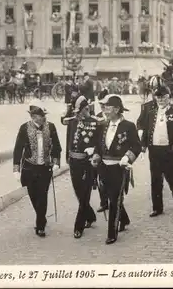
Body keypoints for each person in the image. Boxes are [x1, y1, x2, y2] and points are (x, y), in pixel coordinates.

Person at [92, 95, 141, 245]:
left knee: (114, 199)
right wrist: (96, 155)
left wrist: (128, 157)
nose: (104, 110)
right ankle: (124, 219)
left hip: (119, 167)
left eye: (107, 107)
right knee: (109, 196)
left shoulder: (129, 126)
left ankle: (111, 233)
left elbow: (136, 146)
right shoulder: (103, 125)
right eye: (104, 106)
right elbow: (99, 145)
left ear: (117, 109)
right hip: (104, 167)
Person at [13, 106, 62, 237]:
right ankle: (42, 216)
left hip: (45, 167)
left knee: (42, 195)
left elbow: (57, 146)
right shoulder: (24, 128)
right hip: (30, 167)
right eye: (40, 115)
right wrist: (16, 169)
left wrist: (56, 162)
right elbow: (18, 149)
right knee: (33, 195)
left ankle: (40, 225)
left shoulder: (50, 127)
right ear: (33, 117)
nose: (43, 118)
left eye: (43, 115)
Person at [140, 84, 173, 217]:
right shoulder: (151, 114)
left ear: (168, 98)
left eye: (163, 97)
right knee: (155, 179)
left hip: (169, 150)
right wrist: (143, 147)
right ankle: (157, 207)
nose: (161, 100)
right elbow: (146, 131)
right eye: (158, 98)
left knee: (171, 176)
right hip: (154, 150)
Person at [62, 95, 100, 239]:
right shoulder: (72, 122)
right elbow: (68, 140)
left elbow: (98, 143)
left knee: (85, 194)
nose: (78, 114)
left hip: (87, 163)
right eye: (76, 111)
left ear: (86, 108)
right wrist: (67, 156)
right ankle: (90, 216)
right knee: (79, 193)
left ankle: (79, 226)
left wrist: (94, 152)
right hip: (74, 162)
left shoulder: (94, 123)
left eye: (81, 111)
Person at [95, 89, 109, 212]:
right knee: (101, 179)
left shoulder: (116, 116)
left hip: (113, 154)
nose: (103, 107)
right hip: (101, 153)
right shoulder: (98, 117)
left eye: (105, 105)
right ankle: (103, 202)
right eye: (101, 105)